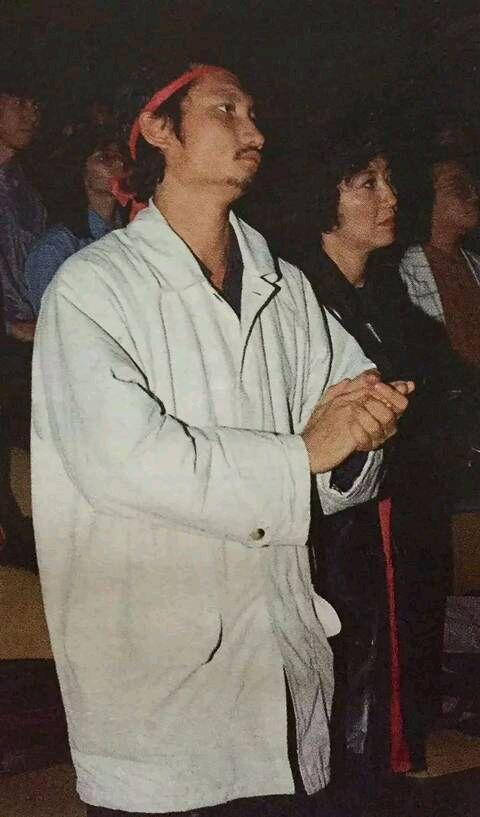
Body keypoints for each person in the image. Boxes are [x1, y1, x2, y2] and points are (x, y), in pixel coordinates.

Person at [32, 63, 412, 817]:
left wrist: (365, 427)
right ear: (158, 130)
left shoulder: (284, 286)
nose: (254, 131)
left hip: (279, 663)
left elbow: (343, 422)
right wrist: (305, 453)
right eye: (226, 110)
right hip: (158, 686)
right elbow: (124, 462)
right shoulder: (93, 289)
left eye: (254, 113)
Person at [299, 127, 457, 807]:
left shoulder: (385, 295)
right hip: (337, 524)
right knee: (353, 674)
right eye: (368, 183)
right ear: (323, 197)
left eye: (389, 181)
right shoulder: (299, 296)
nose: (391, 197)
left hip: (396, 507)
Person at [25, 129, 127, 316]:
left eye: (121, 157)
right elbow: (52, 320)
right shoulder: (55, 248)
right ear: (81, 171)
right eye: (105, 158)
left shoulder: (131, 232)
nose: (119, 163)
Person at [399, 150, 480, 369]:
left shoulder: (476, 264)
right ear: (426, 199)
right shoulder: (400, 274)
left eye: (473, 187)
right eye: (459, 188)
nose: (474, 196)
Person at [0, 72, 45, 341]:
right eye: (20, 103)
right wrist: (9, 327)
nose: (32, 116)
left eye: (35, 106)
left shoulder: (28, 188)